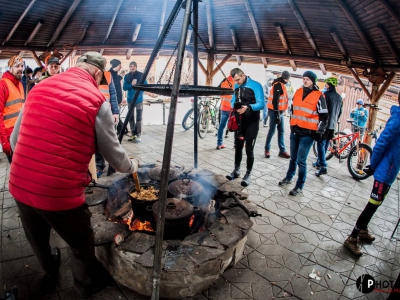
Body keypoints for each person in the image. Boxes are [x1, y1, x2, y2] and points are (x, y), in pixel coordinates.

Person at [9, 52, 139, 297]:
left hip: (19, 183)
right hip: (58, 193)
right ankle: (84, 284)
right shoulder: (96, 100)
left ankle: (50, 269)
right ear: (98, 73)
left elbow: (15, 141)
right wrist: (133, 166)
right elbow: (114, 157)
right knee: (81, 243)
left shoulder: (38, 88)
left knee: (36, 237)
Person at [343, 99, 400, 257]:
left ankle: (363, 230)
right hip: (384, 171)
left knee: (377, 203)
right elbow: (381, 142)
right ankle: (352, 238)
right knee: (372, 205)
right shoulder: (398, 119)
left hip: (390, 171)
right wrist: (373, 165)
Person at [278, 71, 328, 196]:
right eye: (304, 78)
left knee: (301, 161)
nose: (305, 81)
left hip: (308, 134)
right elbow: (293, 109)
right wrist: (291, 123)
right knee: (293, 158)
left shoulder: (319, 96)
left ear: (313, 81)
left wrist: (319, 132)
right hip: (295, 131)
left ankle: (299, 186)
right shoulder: (298, 92)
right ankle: (289, 177)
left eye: (308, 79)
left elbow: (324, 117)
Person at [226, 68, 264, 187]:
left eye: (238, 79)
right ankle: (236, 170)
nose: (237, 82)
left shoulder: (256, 85)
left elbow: (262, 104)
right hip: (239, 122)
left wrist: (247, 107)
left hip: (252, 122)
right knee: (237, 147)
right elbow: (232, 100)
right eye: (235, 80)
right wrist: (234, 106)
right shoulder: (237, 87)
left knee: (249, 149)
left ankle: (248, 174)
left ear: (243, 75)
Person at [313, 77, 343, 176]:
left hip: (325, 124)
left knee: (320, 144)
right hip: (332, 125)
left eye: (326, 84)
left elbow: (322, 110)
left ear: (328, 85)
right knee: (325, 144)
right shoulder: (339, 98)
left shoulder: (325, 95)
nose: (325, 86)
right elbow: (340, 112)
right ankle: (318, 162)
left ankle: (323, 165)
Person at [0, 55, 25, 163]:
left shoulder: (20, 84)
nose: (20, 68)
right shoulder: (3, 85)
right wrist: (4, 141)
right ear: (10, 68)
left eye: (21, 66)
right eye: (17, 66)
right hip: (10, 137)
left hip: (21, 133)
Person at [96, 70, 120, 176]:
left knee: (112, 140)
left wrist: (115, 112)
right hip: (94, 112)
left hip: (107, 112)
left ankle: (114, 165)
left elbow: (113, 94)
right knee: (97, 141)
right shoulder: (87, 75)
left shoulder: (107, 75)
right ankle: (99, 166)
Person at [264, 70, 291, 159]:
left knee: (281, 131)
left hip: (280, 112)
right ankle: (267, 149)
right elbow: (275, 100)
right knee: (272, 131)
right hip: (274, 112)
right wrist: (276, 114)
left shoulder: (282, 84)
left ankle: (282, 151)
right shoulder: (278, 85)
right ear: (287, 78)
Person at [123, 61, 148, 142]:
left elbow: (145, 85)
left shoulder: (141, 75)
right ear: (129, 67)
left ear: (136, 67)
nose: (132, 67)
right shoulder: (127, 76)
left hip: (139, 100)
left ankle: (138, 133)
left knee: (139, 116)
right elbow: (124, 87)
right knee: (130, 116)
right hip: (130, 100)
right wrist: (131, 85)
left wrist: (140, 93)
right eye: (131, 66)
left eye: (134, 66)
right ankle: (133, 133)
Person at [216, 75, 234, 150]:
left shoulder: (224, 81)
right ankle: (236, 144)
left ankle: (219, 144)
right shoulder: (236, 82)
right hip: (233, 109)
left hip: (223, 107)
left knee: (221, 126)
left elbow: (217, 90)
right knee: (236, 125)